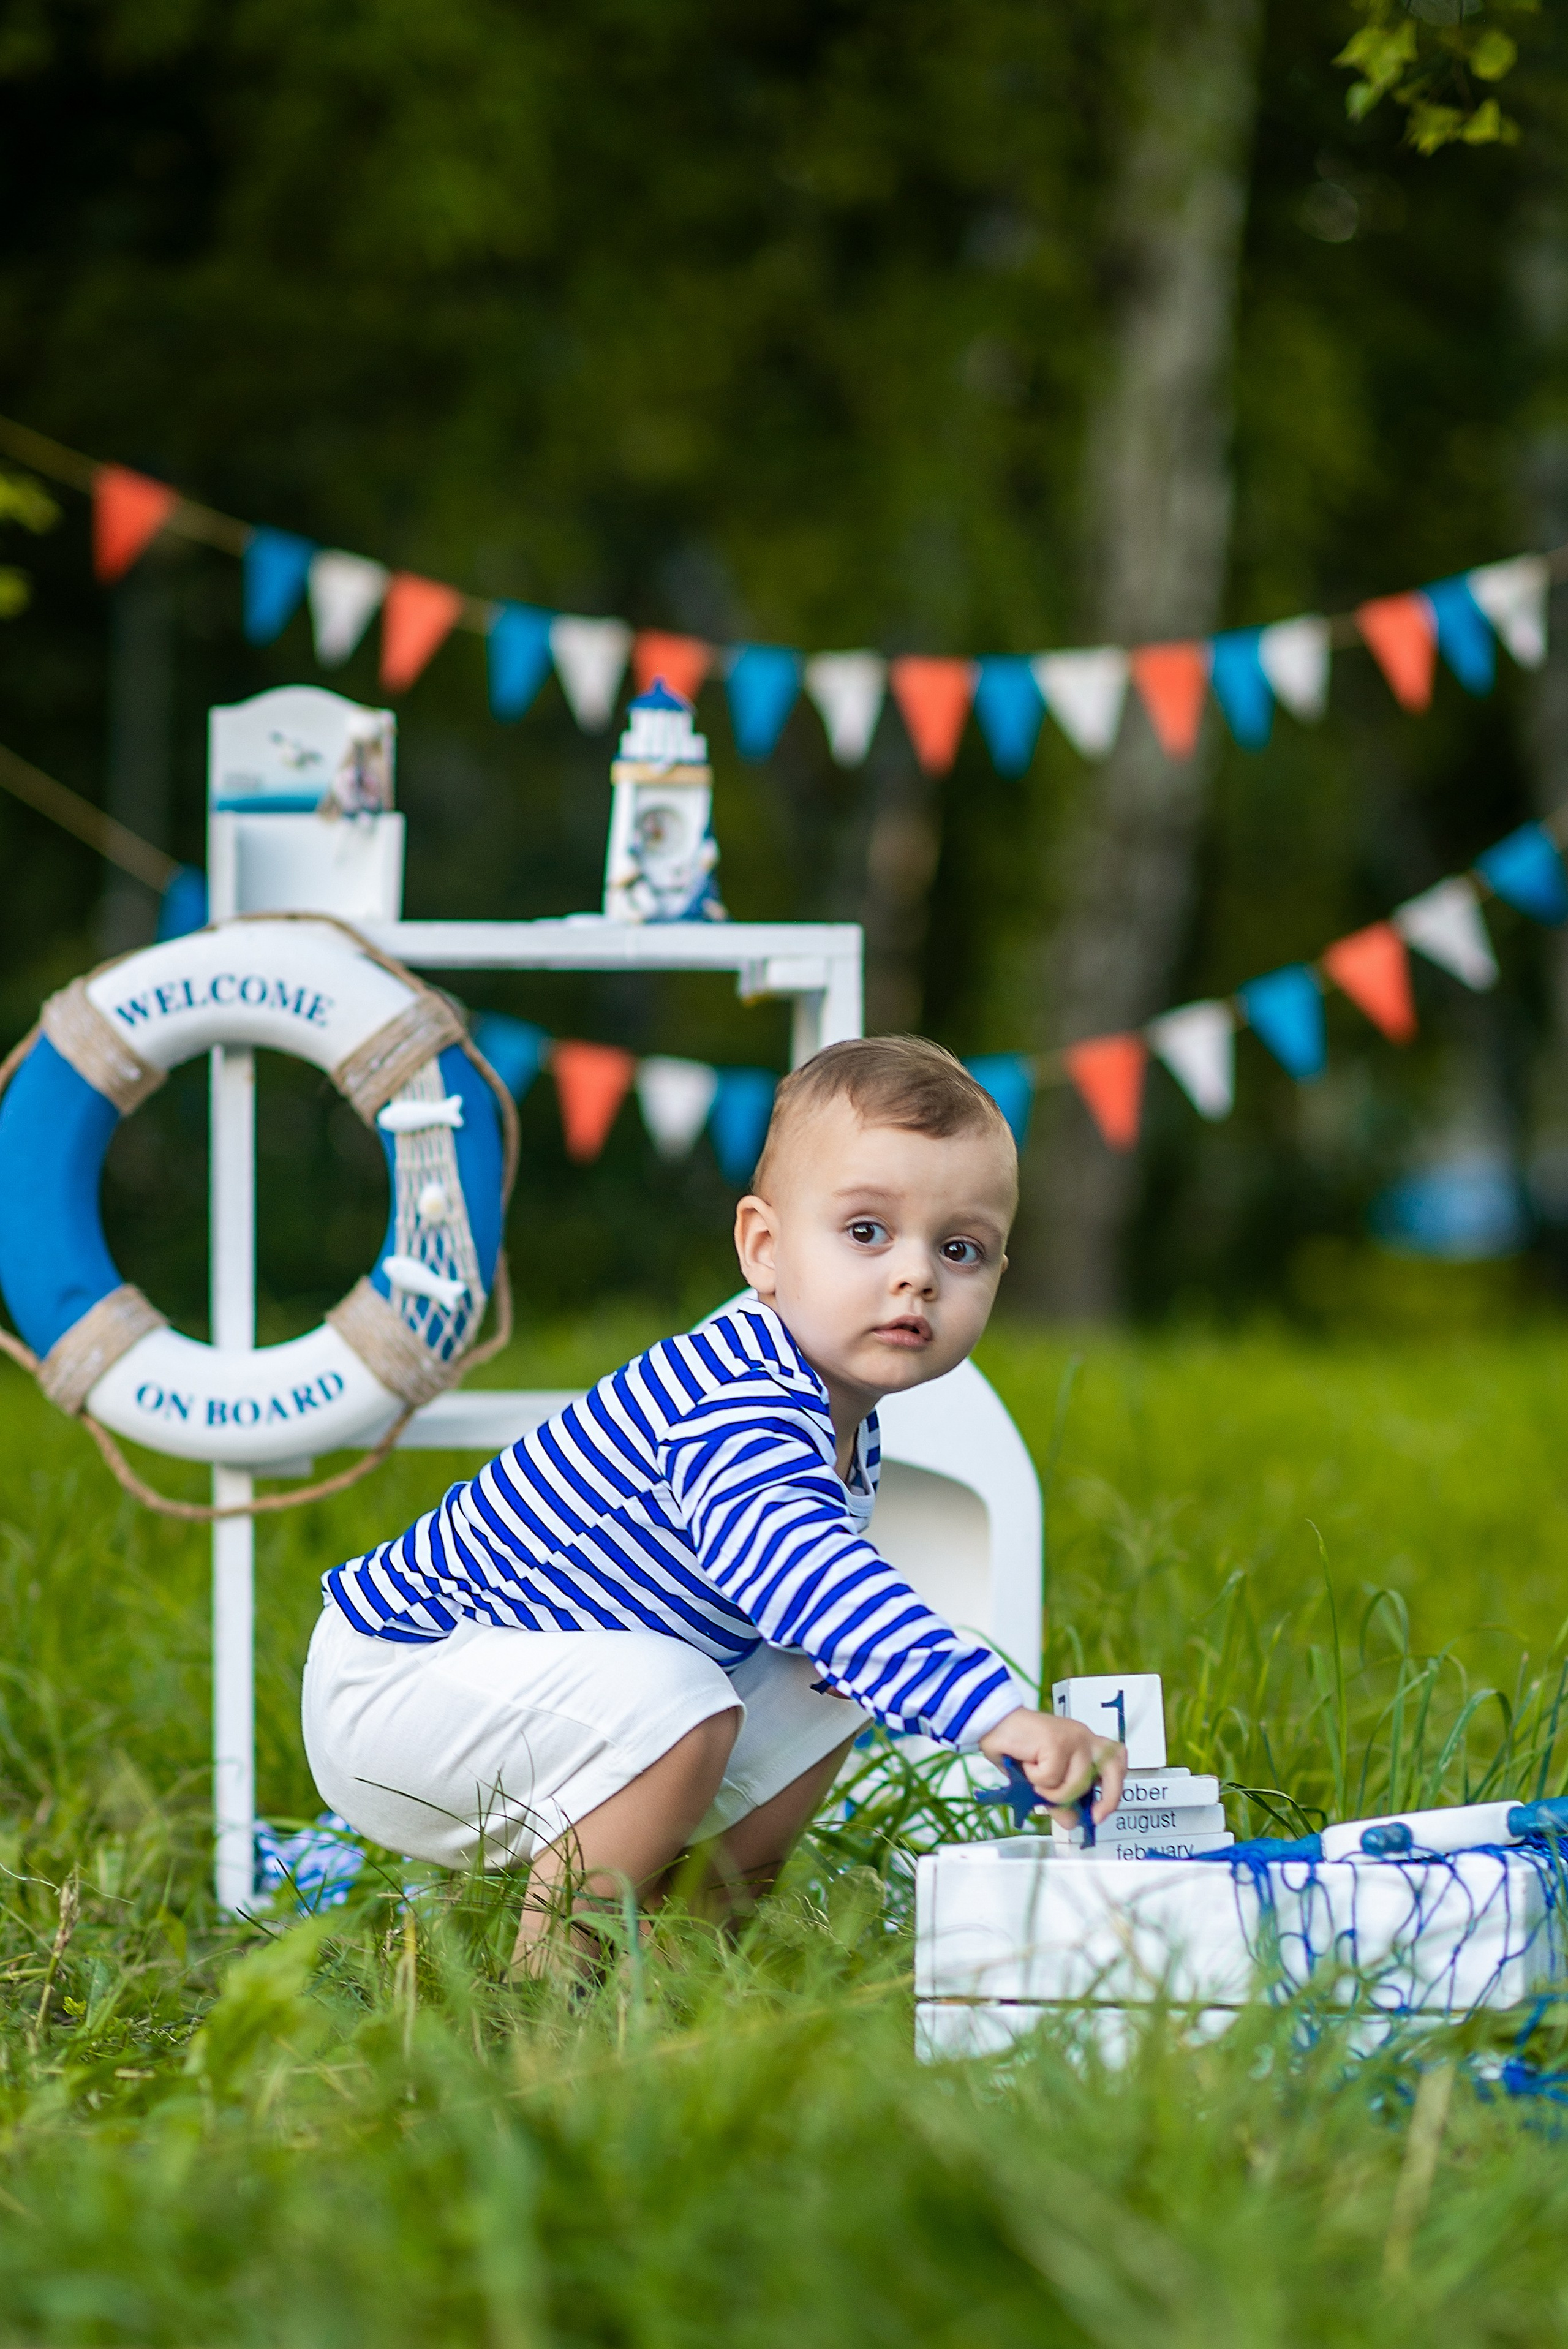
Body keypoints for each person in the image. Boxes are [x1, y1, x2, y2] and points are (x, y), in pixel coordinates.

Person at [301, 1035, 1127, 1967]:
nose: (916, 1274)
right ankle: (548, 1993)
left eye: (961, 1248)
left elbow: (825, 1630)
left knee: (830, 1685)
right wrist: (995, 1715)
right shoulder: (738, 1400)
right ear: (764, 1248)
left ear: (996, 1279)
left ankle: (687, 1953)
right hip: (402, 1681)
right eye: (866, 1231)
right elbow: (811, 1583)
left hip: (524, 1685)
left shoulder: (841, 1416)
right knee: (685, 1700)